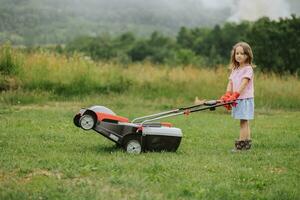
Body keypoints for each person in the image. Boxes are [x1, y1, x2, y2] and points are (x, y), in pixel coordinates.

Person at [220, 41, 255, 151]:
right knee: (245, 121)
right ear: (234, 55)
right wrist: (227, 94)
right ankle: (246, 145)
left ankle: (240, 146)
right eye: (237, 53)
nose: (239, 56)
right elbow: (230, 82)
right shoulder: (235, 69)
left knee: (243, 122)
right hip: (237, 99)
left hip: (244, 99)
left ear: (247, 55)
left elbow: (244, 83)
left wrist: (235, 95)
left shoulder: (248, 69)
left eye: (242, 53)